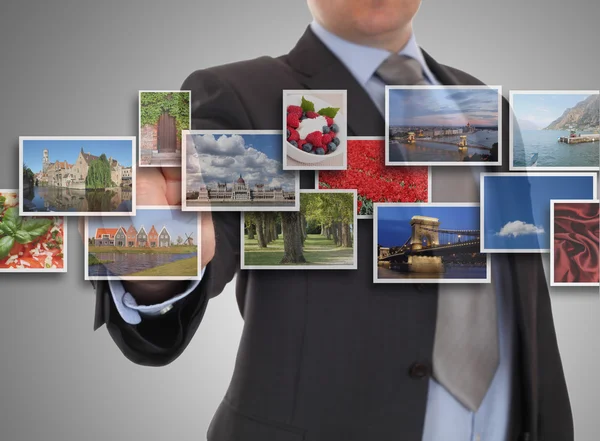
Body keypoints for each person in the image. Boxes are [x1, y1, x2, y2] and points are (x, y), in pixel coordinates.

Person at [91, 1, 573, 440]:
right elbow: (213, 231)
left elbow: (525, 296)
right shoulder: (237, 95)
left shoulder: (485, 104)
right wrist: (157, 259)